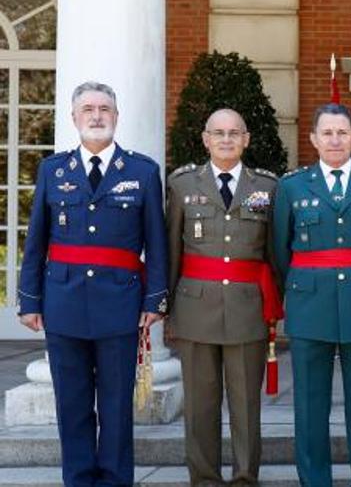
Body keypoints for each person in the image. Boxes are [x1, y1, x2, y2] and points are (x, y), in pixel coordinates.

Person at [17, 81, 168, 486]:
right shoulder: (53, 170)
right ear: (74, 118)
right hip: (63, 303)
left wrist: (155, 299)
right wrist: (28, 299)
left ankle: (116, 480)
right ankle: (79, 480)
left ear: (116, 117)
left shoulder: (143, 171)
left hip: (121, 304)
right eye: (88, 109)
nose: (96, 116)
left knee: (117, 406)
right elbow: (36, 241)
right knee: (73, 403)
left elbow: (156, 242)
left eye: (104, 109)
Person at [272, 103, 351, 487]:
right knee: (310, 406)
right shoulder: (292, 186)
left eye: (342, 133)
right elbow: (280, 251)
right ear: (313, 139)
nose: (334, 140)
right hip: (309, 307)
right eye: (326, 133)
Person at [167, 108, 281, 486]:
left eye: (234, 132)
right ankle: (204, 479)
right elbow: (171, 251)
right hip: (195, 308)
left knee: (246, 404)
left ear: (247, 139)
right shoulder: (182, 184)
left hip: (247, 309)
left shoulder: (267, 186)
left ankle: (246, 478)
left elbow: (275, 254)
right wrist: (163, 307)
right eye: (219, 133)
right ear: (206, 139)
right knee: (200, 405)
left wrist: (276, 304)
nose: (227, 139)